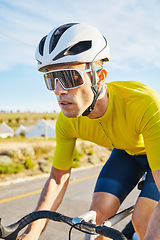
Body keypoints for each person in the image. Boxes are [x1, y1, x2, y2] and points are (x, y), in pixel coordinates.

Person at [18, 23, 160, 240]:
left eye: (68, 77)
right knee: (96, 220)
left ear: (99, 76)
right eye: (51, 79)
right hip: (126, 152)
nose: (58, 90)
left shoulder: (143, 103)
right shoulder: (67, 122)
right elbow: (58, 179)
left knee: (143, 220)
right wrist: (32, 232)